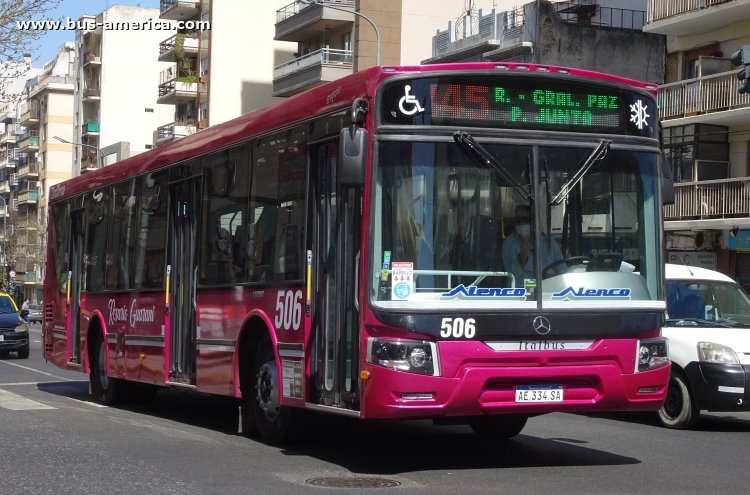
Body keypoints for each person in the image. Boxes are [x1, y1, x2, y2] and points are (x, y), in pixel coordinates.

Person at [502, 204, 563, 286]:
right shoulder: (509, 243)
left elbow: (562, 269)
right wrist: (522, 256)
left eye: (525, 219)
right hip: (522, 291)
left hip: (550, 289)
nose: (522, 223)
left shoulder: (548, 241)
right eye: (518, 220)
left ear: (533, 221)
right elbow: (511, 274)